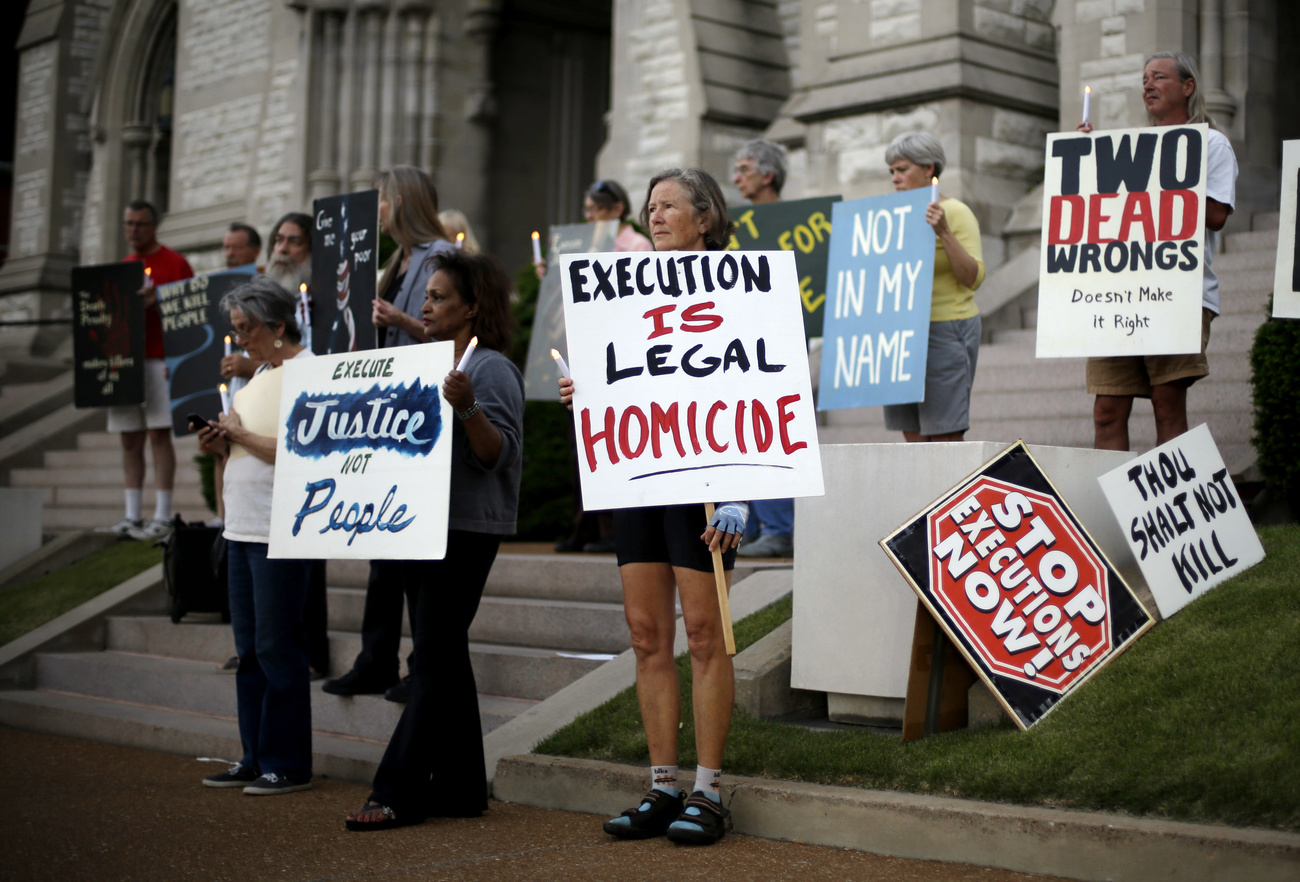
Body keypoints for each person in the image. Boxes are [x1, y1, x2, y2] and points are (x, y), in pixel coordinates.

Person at [557, 168, 748, 846]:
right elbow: (624, 376)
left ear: (705, 218)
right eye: (650, 208)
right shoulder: (624, 291)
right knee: (646, 635)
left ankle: (710, 790)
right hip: (637, 478)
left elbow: (762, 378)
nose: (655, 216)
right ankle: (662, 784)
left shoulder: (740, 285)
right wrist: (592, 396)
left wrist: (740, 493)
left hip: (705, 483)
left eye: (669, 206)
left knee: (704, 633)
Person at [344, 249, 523, 830]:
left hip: (466, 529)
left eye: (439, 296)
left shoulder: (492, 367)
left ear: (472, 308)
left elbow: (496, 454)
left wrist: (467, 404)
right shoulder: (417, 361)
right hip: (415, 524)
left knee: (434, 654)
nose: (424, 303)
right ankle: (463, 788)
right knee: (445, 654)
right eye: (427, 295)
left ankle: (396, 788)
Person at [323, 166, 457, 703]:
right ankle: (375, 660)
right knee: (383, 551)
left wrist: (401, 320)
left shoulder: (443, 256)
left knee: (416, 551)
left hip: (421, 413)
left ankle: (422, 666)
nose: (375, 210)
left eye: (381, 200)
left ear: (402, 201)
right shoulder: (394, 260)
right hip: (383, 410)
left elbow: (460, 328)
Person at [1079, 52, 1237, 451]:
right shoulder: (1129, 149)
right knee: (1107, 409)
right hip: (1119, 294)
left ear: (1188, 87)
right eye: (1144, 78)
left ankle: (1170, 514)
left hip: (1176, 293)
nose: (1147, 84)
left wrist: (1159, 180)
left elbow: (1217, 214)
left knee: (1167, 406)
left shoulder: (1212, 143)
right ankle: (1106, 514)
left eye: (1159, 77)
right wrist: (1085, 160)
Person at [197, 276, 315, 795]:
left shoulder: (309, 372)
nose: (239, 339)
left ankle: (286, 763)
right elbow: (244, 449)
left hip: (279, 529)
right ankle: (253, 756)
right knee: (248, 650)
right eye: (236, 329)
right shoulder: (258, 375)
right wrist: (220, 446)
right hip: (242, 526)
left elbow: (302, 449)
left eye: (246, 328)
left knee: (276, 646)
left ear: (278, 325)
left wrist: (237, 433)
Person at [552, 179, 652, 554]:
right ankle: (587, 525)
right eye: (587, 210)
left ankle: (612, 527)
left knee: (611, 438)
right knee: (583, 443)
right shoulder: (584, 244)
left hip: (617, 357)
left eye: (594, 209)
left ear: (616, 210)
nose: (588, 216)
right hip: (582, 354)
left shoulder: (637, 246)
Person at [880, 132, 985, 444]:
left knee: (944, 435)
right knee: (911, 434)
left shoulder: (956, 212)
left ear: (929, 169)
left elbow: (973, 278)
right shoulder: (892, 215)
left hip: (946, 329)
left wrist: (943, 232)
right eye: (892, 172)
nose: (895, 178)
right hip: (901, 332)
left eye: (902, 169)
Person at [97, 200, 193, 540]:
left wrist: (161, 302)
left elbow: (190, 313)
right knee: (129, 438)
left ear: (153, 226)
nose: (133, 230)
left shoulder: (175, 263)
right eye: (128, 224)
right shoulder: (123, 267)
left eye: (139, 224)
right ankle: (131, 515)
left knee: (158, 434)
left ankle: (163, 514)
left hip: (159, 360)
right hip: (125, 363)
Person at [731, 140, 795, 559]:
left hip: (777, 344)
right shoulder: (731, 227)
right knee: (741, 430)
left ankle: (778, 526)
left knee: (769, 431)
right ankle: (753, 525)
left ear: (767, 175)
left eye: (744, 168)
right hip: (737, 343)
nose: (736, 177)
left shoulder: (796, 226)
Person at [731, 138, 786, 205]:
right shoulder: (741, 214)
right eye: (736, 171)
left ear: (767, 176)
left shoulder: (792, 214)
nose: (736, 179)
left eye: (744, 170)